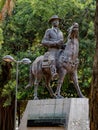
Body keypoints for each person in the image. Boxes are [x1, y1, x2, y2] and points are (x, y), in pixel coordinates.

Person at [41, 15, 64, 79]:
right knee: (52, 59)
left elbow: (61, 44)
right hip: (52, 50)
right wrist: (55, 43)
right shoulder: (49, 31)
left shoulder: (61, 33)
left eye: (57, 21)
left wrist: (64, 46)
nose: (56, 22)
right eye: (54, 21)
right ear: (52, 22)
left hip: (60, 51)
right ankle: (53, 73)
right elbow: (43, 41)